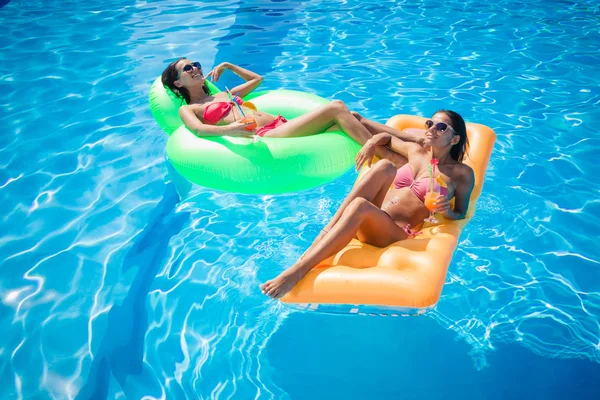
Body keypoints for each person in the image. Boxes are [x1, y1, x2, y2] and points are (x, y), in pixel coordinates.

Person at [260, 110, 475, 299]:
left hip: (393, 230)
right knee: (384, 166)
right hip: (376, 213)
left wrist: (447, 211)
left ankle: (298, 270)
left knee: (360, 205)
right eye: (429, 123)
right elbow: (387, 138)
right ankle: (325, 235)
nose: (431, 130)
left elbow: (460, 213)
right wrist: (371, 143)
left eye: (440, 127)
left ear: (454, 139)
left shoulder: (461, 174)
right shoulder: (415, 151)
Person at [161, 58, 419, 164]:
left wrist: (229, 65)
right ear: (178, 83)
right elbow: (200, 130)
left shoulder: (223, 94)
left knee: (353, 118)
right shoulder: (191, 109)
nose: (195, 68)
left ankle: (408, 140)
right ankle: (388, 158)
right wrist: (232, 129)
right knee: (338, 107)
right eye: (187, 69)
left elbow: (257, 79)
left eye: (195, 64)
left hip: (281, 124)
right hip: (266, 135)